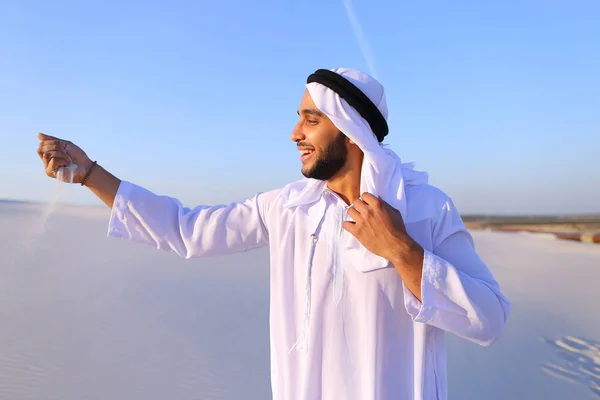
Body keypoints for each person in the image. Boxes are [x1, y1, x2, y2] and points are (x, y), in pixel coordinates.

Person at [36, 67, 511, 400]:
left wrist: (401, 250)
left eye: (310, 119)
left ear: (349, 129)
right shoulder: (287, 207)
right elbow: (186, 230)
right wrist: (90, 173)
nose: (293, 133)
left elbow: (489, 318)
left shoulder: (425, 208)